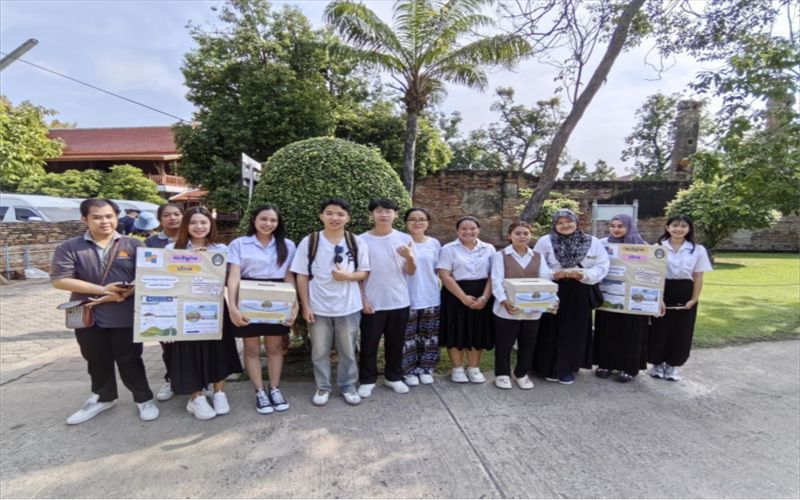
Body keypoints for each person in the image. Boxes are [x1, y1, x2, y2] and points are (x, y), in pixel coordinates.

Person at [51, 198, 158, 424]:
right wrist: (102, 290)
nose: (104, 221)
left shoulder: (133, 244)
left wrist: (123, 294)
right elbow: (60, 280)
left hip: (124, 313)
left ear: (117, 217)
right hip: (88, 314)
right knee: (95, 359)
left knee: (130, 359)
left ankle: (143, 398)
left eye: (109, 216)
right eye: (97, 217)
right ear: (84, 219)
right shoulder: (70, 247)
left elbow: (148, 276)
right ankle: (103, 397)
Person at [290, 199, 370, 407]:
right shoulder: (311, 241)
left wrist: (348, 277)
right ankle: (323, 387)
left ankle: (348, 386)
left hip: (349, 306)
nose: (335, 218)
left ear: (348, 218)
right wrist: (305, 306)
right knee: (319, 351)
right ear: (321, 216)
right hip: (318, 306)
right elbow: (301, 275)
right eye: (330, 213)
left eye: (340, 214)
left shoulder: (355, 242)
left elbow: (364, 272)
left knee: (348, 351)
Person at [167, 206, 243, 420]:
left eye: (204, 222)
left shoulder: (220, 249)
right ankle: (196, 396)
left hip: (215, 308)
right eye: (193, 223)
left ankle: (219, 392)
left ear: (211, 224)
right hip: (184, 310)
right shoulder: (172, 248)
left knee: (218, 349)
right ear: (185, 226)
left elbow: (230, 279)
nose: (199, 227)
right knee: (188, 352)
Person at [227, 204, 297, 414]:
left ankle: (274, 389)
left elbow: (289, 276)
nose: (268, 224)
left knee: (275, 348)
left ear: (278, 223)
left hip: (278, 298)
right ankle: (259, 391)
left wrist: (295, 305)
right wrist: (233, 307)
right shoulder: (239, 244)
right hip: (248, 297)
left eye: (273, 220)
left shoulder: (287, 245)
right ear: (254, 220)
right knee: (252, 349)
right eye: (263, 219)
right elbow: (233, 277)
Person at [532, 209, 609, 384]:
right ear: (554, 225)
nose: (565, 225)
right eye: (560, 222)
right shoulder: (545, 241)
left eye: (569, 221)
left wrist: (583, 275)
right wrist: (553, 274)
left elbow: (602, 265)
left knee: (574, 330)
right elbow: (537, 264)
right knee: (550, 328)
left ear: (576, 222)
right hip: (553, 288)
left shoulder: (592, 242)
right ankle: (546, 366)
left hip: (580, 290)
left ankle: (568, 367)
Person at [356, 199, 416, 398]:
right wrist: (363, 300)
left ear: (396, 215)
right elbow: (358, 274)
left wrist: (409, 257)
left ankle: (394, 377)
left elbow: (411, 271)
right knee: (369, 343)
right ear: (371, 215)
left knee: (396, 343)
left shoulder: (404, 238)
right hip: (372, 301)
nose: (383, 215)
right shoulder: (361, 240)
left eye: (388, 211)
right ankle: (367, 379)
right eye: (379, 211)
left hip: (399, 300)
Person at [648, 214, 712, 382]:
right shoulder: (657, 247)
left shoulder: (697, 250)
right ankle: (657, 364)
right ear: (667, 227)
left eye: (683, 226)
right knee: (659, 329)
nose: (678, 229)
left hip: (685, 290)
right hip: (662, 290)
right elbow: (654, 274)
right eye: (674, 225)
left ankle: (673, 365)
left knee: (681, 331)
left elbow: (698, 276)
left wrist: (694, 298)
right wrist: (658, 297)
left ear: (689, 229)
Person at [491, 221, 554, 390]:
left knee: (528, 343)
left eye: (525, 233)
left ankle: (521, 373)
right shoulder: (501, 255)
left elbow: (546, 280)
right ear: (510, 236)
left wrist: (552, 299)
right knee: (504, 343)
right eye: (518, 233)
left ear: (530, 235)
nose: (522, 236)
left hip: (533, 310)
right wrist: (503, 300)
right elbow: (496, 281)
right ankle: (502, 373)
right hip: (506, 309)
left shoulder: (537, 257)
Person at [593, 214, 650, 383]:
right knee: (607, 330)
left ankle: (629, 367)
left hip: (633, 300)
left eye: (620, 226)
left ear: (629, 227)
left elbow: (654, 273)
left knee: (632, 332)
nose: (616, 229)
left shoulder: (643, 247)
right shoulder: (602, 244)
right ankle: (605, 364)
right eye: (613, 226)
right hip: (609, 296)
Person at [437, 216, 495, 384]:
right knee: (456, 331)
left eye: (472, 228)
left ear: (479, 230)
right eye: (463, 228)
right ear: (457, 231)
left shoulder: (489, 248)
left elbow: (494, 274)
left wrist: (485, 297)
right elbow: (445, 275)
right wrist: (463, 297)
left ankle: (473, 368)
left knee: (478, 331)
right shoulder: (448, 249)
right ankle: (457, 368)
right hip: (455, 294)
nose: (468, 232)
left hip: (483, 293)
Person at [142, 202, 184, 402]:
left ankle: (201, 379)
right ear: (160, 219)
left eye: (177, 214)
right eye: (167, 215)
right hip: (163, 301)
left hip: (190, 299)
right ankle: (172, 380)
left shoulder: (193, 238)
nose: (173, 218)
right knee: (168, 342)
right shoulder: (151, 243)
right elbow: (147, 271)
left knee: (195, 342)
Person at [401, 208, 441, 386]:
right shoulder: (400, 241)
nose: (417, 222)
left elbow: (438, 270)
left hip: (430, 296)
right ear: (406, 222)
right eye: (413, 219)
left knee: (429, 335)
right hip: (404, 297)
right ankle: (407, 370)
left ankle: (426, 368)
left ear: (428, 222)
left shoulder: (434, 244)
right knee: (406, 337)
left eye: (422, 219)